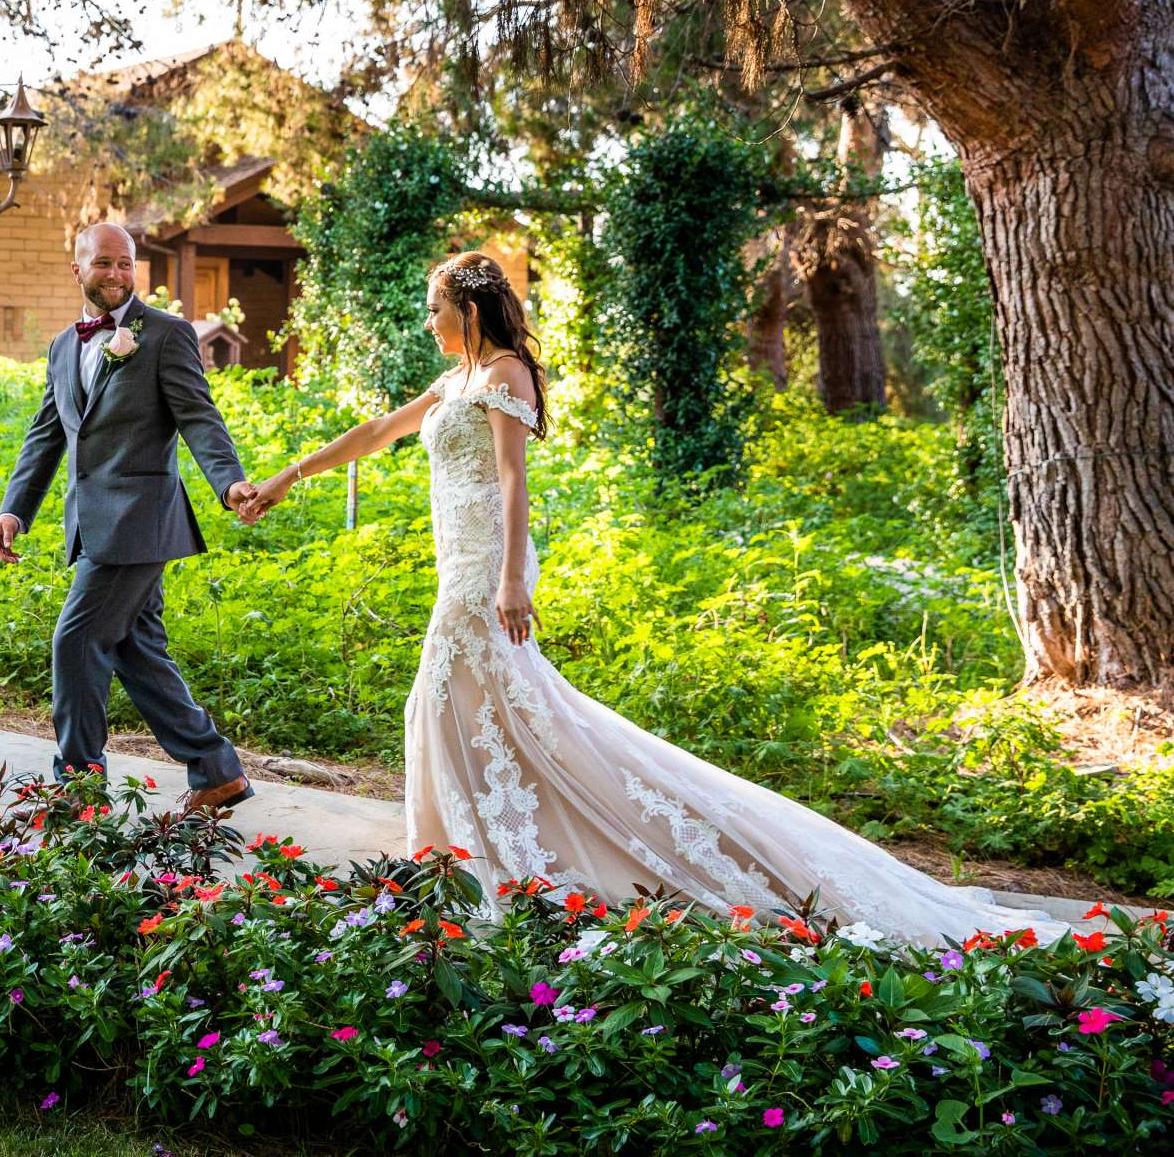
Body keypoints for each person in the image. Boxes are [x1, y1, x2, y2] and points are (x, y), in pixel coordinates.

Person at [244, 250, 1063, 943]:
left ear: (468, 307)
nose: (428, 322)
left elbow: (510, 477)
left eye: (435, 310)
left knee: (463, 692)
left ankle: (497, 846)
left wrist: (505, 579)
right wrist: (287, 477)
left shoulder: (505, 374)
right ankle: (463, 843)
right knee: (473, 700)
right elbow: (374, 434)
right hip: (455, 557)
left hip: (486, 565)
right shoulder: (453, 379)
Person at [0, 222, 265, 816]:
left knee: (77, 638)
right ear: (78, 270)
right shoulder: (65, 346)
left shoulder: (164, 335)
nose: (116, 274)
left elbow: (199, 417)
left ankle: (78, 786)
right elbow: (47, 435)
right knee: (138, 649)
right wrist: (16, 508)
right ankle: (217, 770)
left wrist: (230, 483)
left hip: (140, 521)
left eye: (125, 264)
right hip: (89, 523)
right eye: (103, 264)